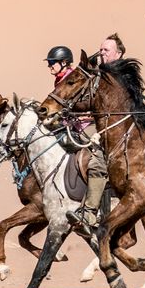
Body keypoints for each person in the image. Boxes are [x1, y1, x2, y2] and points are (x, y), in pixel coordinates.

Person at [43, 44, 113, 229]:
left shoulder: (72, 77)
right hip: (73, 125)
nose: (49, 65)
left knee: (94, 159)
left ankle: (95, 206)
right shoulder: (60, 80)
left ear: (64, 63)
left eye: (52, 62)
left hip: (87, 126)